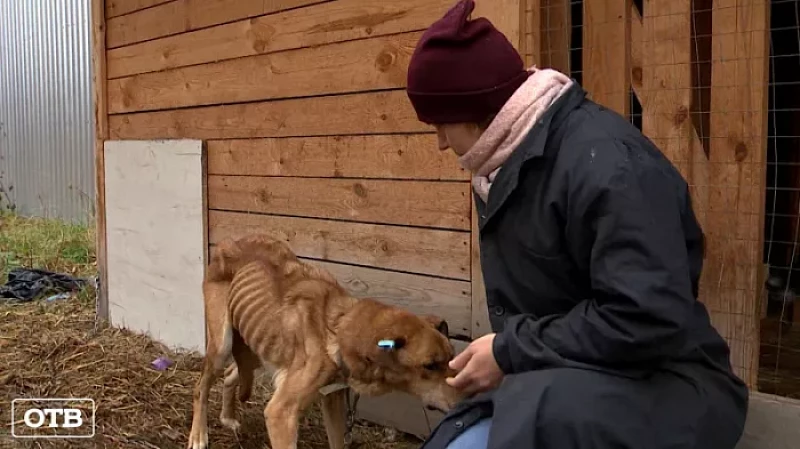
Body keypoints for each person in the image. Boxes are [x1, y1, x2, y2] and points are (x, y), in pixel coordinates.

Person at [403, 1, 749, 448]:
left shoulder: (608, 166)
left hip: (668, 383)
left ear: (474, 108)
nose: (438, 143)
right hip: (576, 378)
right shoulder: (505, 163)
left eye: (440, 124)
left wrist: (510, 350)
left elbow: (646, 318)